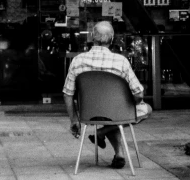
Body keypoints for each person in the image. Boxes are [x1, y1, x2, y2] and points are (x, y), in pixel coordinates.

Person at [62, 21, 152, 169]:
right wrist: (130, 102)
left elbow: (67, 94)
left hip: (89, 112)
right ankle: (102, 132)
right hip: (117, 111)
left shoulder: (77, 61)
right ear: (112, 38)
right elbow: (139, 93)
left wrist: (74, 120)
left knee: (108, 116)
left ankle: (118, 154)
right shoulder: (121, 61)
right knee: (145, 109)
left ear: (92, 37)